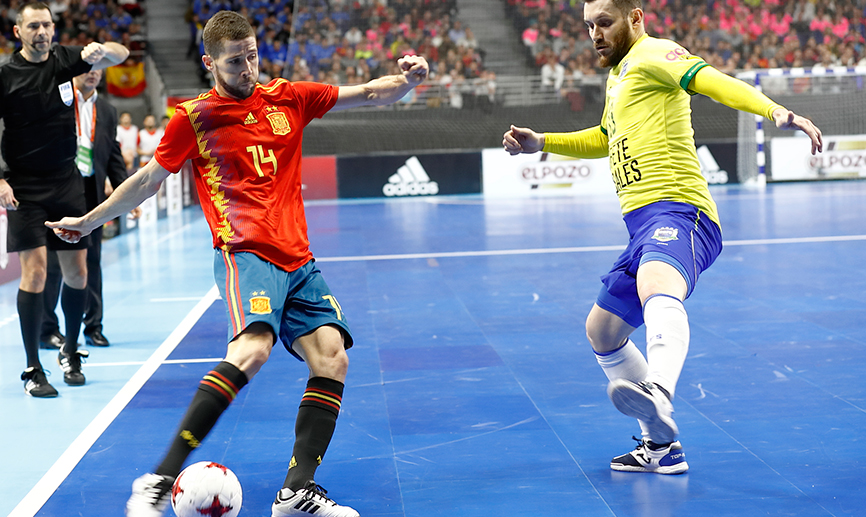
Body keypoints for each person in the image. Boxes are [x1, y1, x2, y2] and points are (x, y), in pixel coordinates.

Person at [48, 10, 428, 517]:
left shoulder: (288, 97)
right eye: (234, 60)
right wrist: (92, 221)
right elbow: (146, 182)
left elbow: (371, 93)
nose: (248, 67)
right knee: (253, 350)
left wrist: (408, 81)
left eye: (252, 55)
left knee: (333, 357)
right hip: (246, 251)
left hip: (299, 258)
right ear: (210, 62)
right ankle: (158, 480)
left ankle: (296, 492)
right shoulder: (193, 117)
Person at [502, 0, 822, 475]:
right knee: (602, 331)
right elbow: (606, 138)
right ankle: (660, 449)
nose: (595, 34)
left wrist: (773, 110)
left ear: (635, 17)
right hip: (641, 226)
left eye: (604, 22)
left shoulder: (655, 54)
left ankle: (658, 390)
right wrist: (543, 141)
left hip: (683, 213)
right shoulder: (619, 76)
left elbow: (711, 79)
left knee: (656, 282)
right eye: (589, 26)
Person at [0, 2, 129, 397]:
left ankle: (71, 351)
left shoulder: (66, 60)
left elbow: (120, 54)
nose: (42, 31)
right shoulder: (5, 76)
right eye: (34, 25)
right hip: (23, 187)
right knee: (35, 272)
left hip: (65, 182)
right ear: (18, 31)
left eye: (48, 25)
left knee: (78, 274)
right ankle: (33, 368)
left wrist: (100, 50)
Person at [40, 67, 138, 351]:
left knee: (92, 262)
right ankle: (48, 329)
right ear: (72, 73)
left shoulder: (107, 110)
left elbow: (113, 155)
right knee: (55, 264)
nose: (93, 74)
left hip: (91, 194)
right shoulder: (58, 102)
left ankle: (93, 326)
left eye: (98, 70)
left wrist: (127, 196)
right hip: (58, 192)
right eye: (87, 69)